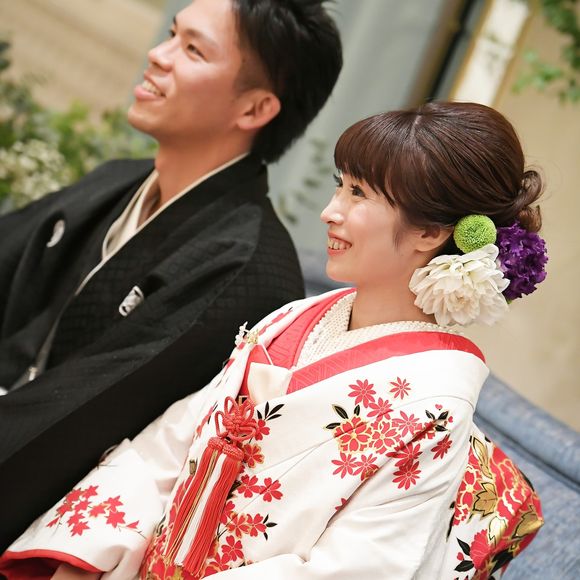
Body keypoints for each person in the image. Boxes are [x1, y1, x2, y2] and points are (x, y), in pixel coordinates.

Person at [0, 102, 547, 579]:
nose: (330, 211)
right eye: (340, 184)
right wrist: (81, 555)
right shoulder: (293, 319)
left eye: (359, 194)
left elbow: (359, 568)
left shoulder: (437, 403)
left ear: (430, 232)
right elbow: (169, 444)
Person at [0, 0, 343, 551]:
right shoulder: (117, 182)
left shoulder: (244, 271)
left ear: (255, 108)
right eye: (172, 34)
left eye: (193, 50)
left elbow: (80, 418)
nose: (158, 56)